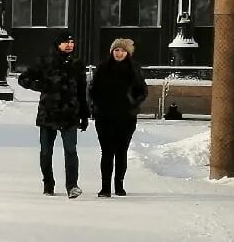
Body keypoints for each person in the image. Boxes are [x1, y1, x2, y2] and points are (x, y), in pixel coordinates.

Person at [17, 30, 89, 198]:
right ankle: (48, 183)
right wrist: (40, 86)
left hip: (70, 114)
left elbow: (82, 91)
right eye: (66, 42)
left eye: (72, 42)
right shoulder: (45, 62)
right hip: (48, 114)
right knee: (46, 151)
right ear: (58, 44)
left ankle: (72, 186)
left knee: (71, 151)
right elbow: (23, 79)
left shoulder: (77, 64)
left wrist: (85, 115)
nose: (70, 45)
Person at [88, 37, 149, 197]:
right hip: (105, 116)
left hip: (126, 116)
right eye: (116, 50)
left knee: (121, 151)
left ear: (127, 53)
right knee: (107, 151)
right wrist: (96, 105)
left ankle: (119, 185)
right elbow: (93, 89)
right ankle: (105, 187)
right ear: (112, 51)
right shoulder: (102, 68)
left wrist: (132, 103)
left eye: (122, 50)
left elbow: (142, 91)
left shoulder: (134, 69)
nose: (119, 53)